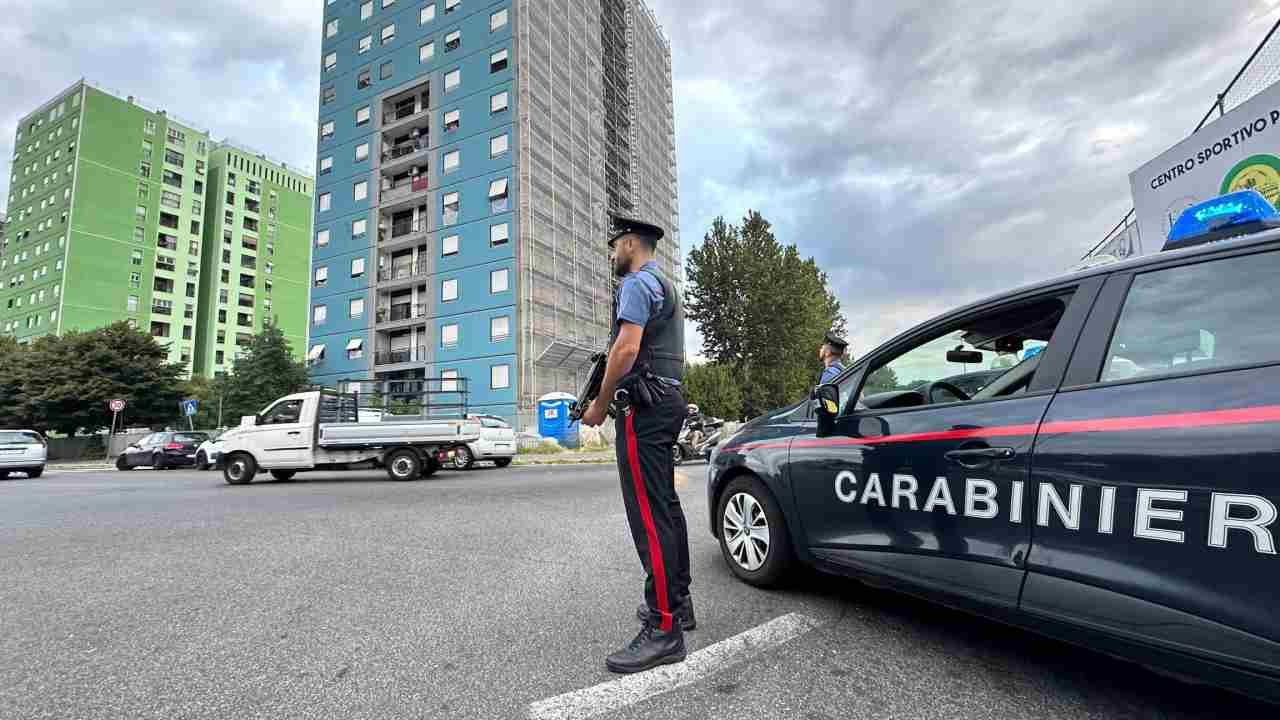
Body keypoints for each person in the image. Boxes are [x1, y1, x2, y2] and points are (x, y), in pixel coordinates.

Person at [580, 215, 694, 674]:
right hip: (667, 400)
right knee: (664, 506)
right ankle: (678, 606)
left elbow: (625, 351)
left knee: (648, 514)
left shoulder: (635, 283)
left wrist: (599, 405)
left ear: (630, 243)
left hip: (644, 408)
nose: (611, 256)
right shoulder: (664, 285)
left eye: (613, 247)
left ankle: (664, 629)